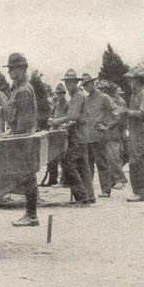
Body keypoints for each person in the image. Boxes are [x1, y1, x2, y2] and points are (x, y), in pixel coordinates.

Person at [3, 53, 40, 226]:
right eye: (9, 69)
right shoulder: (18, 89)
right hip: (20, 137)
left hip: (23, 140)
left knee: (28, 176)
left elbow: (24, 124)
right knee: (27, 176)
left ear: (22, 69)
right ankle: (30, 214)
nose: (9, 72)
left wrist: (15, 138)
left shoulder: (24, 90)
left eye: (12, 69)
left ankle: (31, 215)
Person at [49, 69, 94, 204]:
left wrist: (57, 122)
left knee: (67, 164)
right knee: (83, 166)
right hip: (81, 135)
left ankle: (82, 197)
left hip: (78, 136)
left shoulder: (78, 96)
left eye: (71, 83)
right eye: (67, 82)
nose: (68, 85)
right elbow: (74, 119)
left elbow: (72, 116)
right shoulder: (77, 97)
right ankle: (89, 196)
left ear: (76, 83)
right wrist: (64, 125)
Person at [79, 73, 115, 198]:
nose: (85, 87)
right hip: (87, 137)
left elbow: (116, 113)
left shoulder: (104, 97)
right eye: (83, 86)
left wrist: (107, 126)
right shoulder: (86, 99)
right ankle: (89, 191)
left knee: (102, 163)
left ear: (93, 83)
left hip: (99, 137)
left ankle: (106, 189)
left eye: (86, 84)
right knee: (88, 165)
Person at [120, 67, 144, 202]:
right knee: (139, 162)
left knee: (137, 162)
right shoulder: (134, 95)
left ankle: (140, 192)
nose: (130, 83)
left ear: (139, 81)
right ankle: (143, 191)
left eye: (132, 80)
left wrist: (127, 112)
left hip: (141, 134)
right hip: (135, 133)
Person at [99, 80, 129, 189]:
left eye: (103, 89)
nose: (101, 91)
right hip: (110, 132)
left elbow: (120, 117)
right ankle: (114, 179)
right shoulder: (106, 100)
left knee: (114, 157)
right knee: (111, 157)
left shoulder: (115, 101)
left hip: (115, 132)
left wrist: (110, 127)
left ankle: (120, 179)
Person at [42, 83, 69, 187]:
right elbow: (51, 117)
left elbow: (69, 119)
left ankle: (64, 181)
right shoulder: (56, 106)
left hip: (63, 134)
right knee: (52, 158)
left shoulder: (67, 105)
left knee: (64, 159)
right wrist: (51, 122)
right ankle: (52, 180)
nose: (59, 96)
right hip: (54, 134)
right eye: (58, 94)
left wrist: (59, 123)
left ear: (64, 94)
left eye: (61, 94)